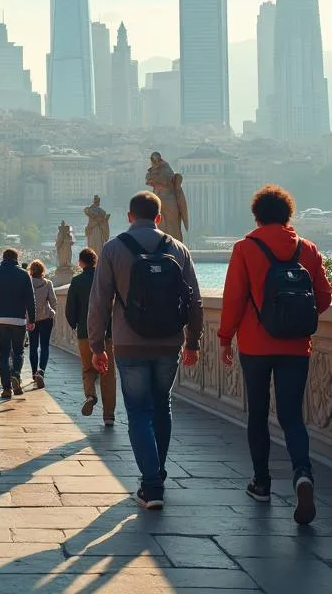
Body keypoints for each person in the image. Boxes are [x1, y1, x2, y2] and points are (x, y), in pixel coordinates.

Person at [218, 185, 332, 526]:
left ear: (257, 215)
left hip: (255, 345)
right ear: (288, 215)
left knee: (257, 414)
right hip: (296, 346)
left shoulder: (245, 248)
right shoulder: (307, 249)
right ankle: (302, 474)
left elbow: (234, 298)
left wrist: (225, 337)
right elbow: (323, 299)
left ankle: (261, 483)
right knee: (292, 417)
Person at [88, 191, 203, 511]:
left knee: (138, 411)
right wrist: (193, 341)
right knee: (161, 406)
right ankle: (158, 475)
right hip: (169, 341)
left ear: (128, 217)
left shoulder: (112, 249)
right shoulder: (177, 249)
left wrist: (97, 345)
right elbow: (194, 300)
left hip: (129, 342)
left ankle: (150, 484)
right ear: (159, 217)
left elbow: (99, 301)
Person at [65, 248, 116, 426]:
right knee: (107, 374)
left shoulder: (77, 281)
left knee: (88, 369)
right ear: (96, 262)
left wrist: (75, 324)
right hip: (106, 334)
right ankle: (109, 415)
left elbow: (70, 309)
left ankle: (90, 396)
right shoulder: (106, 280)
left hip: (85, 333)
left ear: (80, 262)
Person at [0, 248, 36, 399]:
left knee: (4, 353)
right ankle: (16, 375)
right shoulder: (24, 274)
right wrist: (32, 319)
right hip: (18, 319)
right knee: (18, 351)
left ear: (3, 258)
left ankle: (6, 388)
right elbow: (30, 299)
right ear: (16, 258)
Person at [27, 260, 57, 388]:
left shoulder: (27, 284)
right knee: (45, 346)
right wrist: (52, 312)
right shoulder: (48, 283)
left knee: (33, 346)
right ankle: (42, 371)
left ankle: (34, 373)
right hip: (46, 319)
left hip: (32, 319)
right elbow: (54, 302)